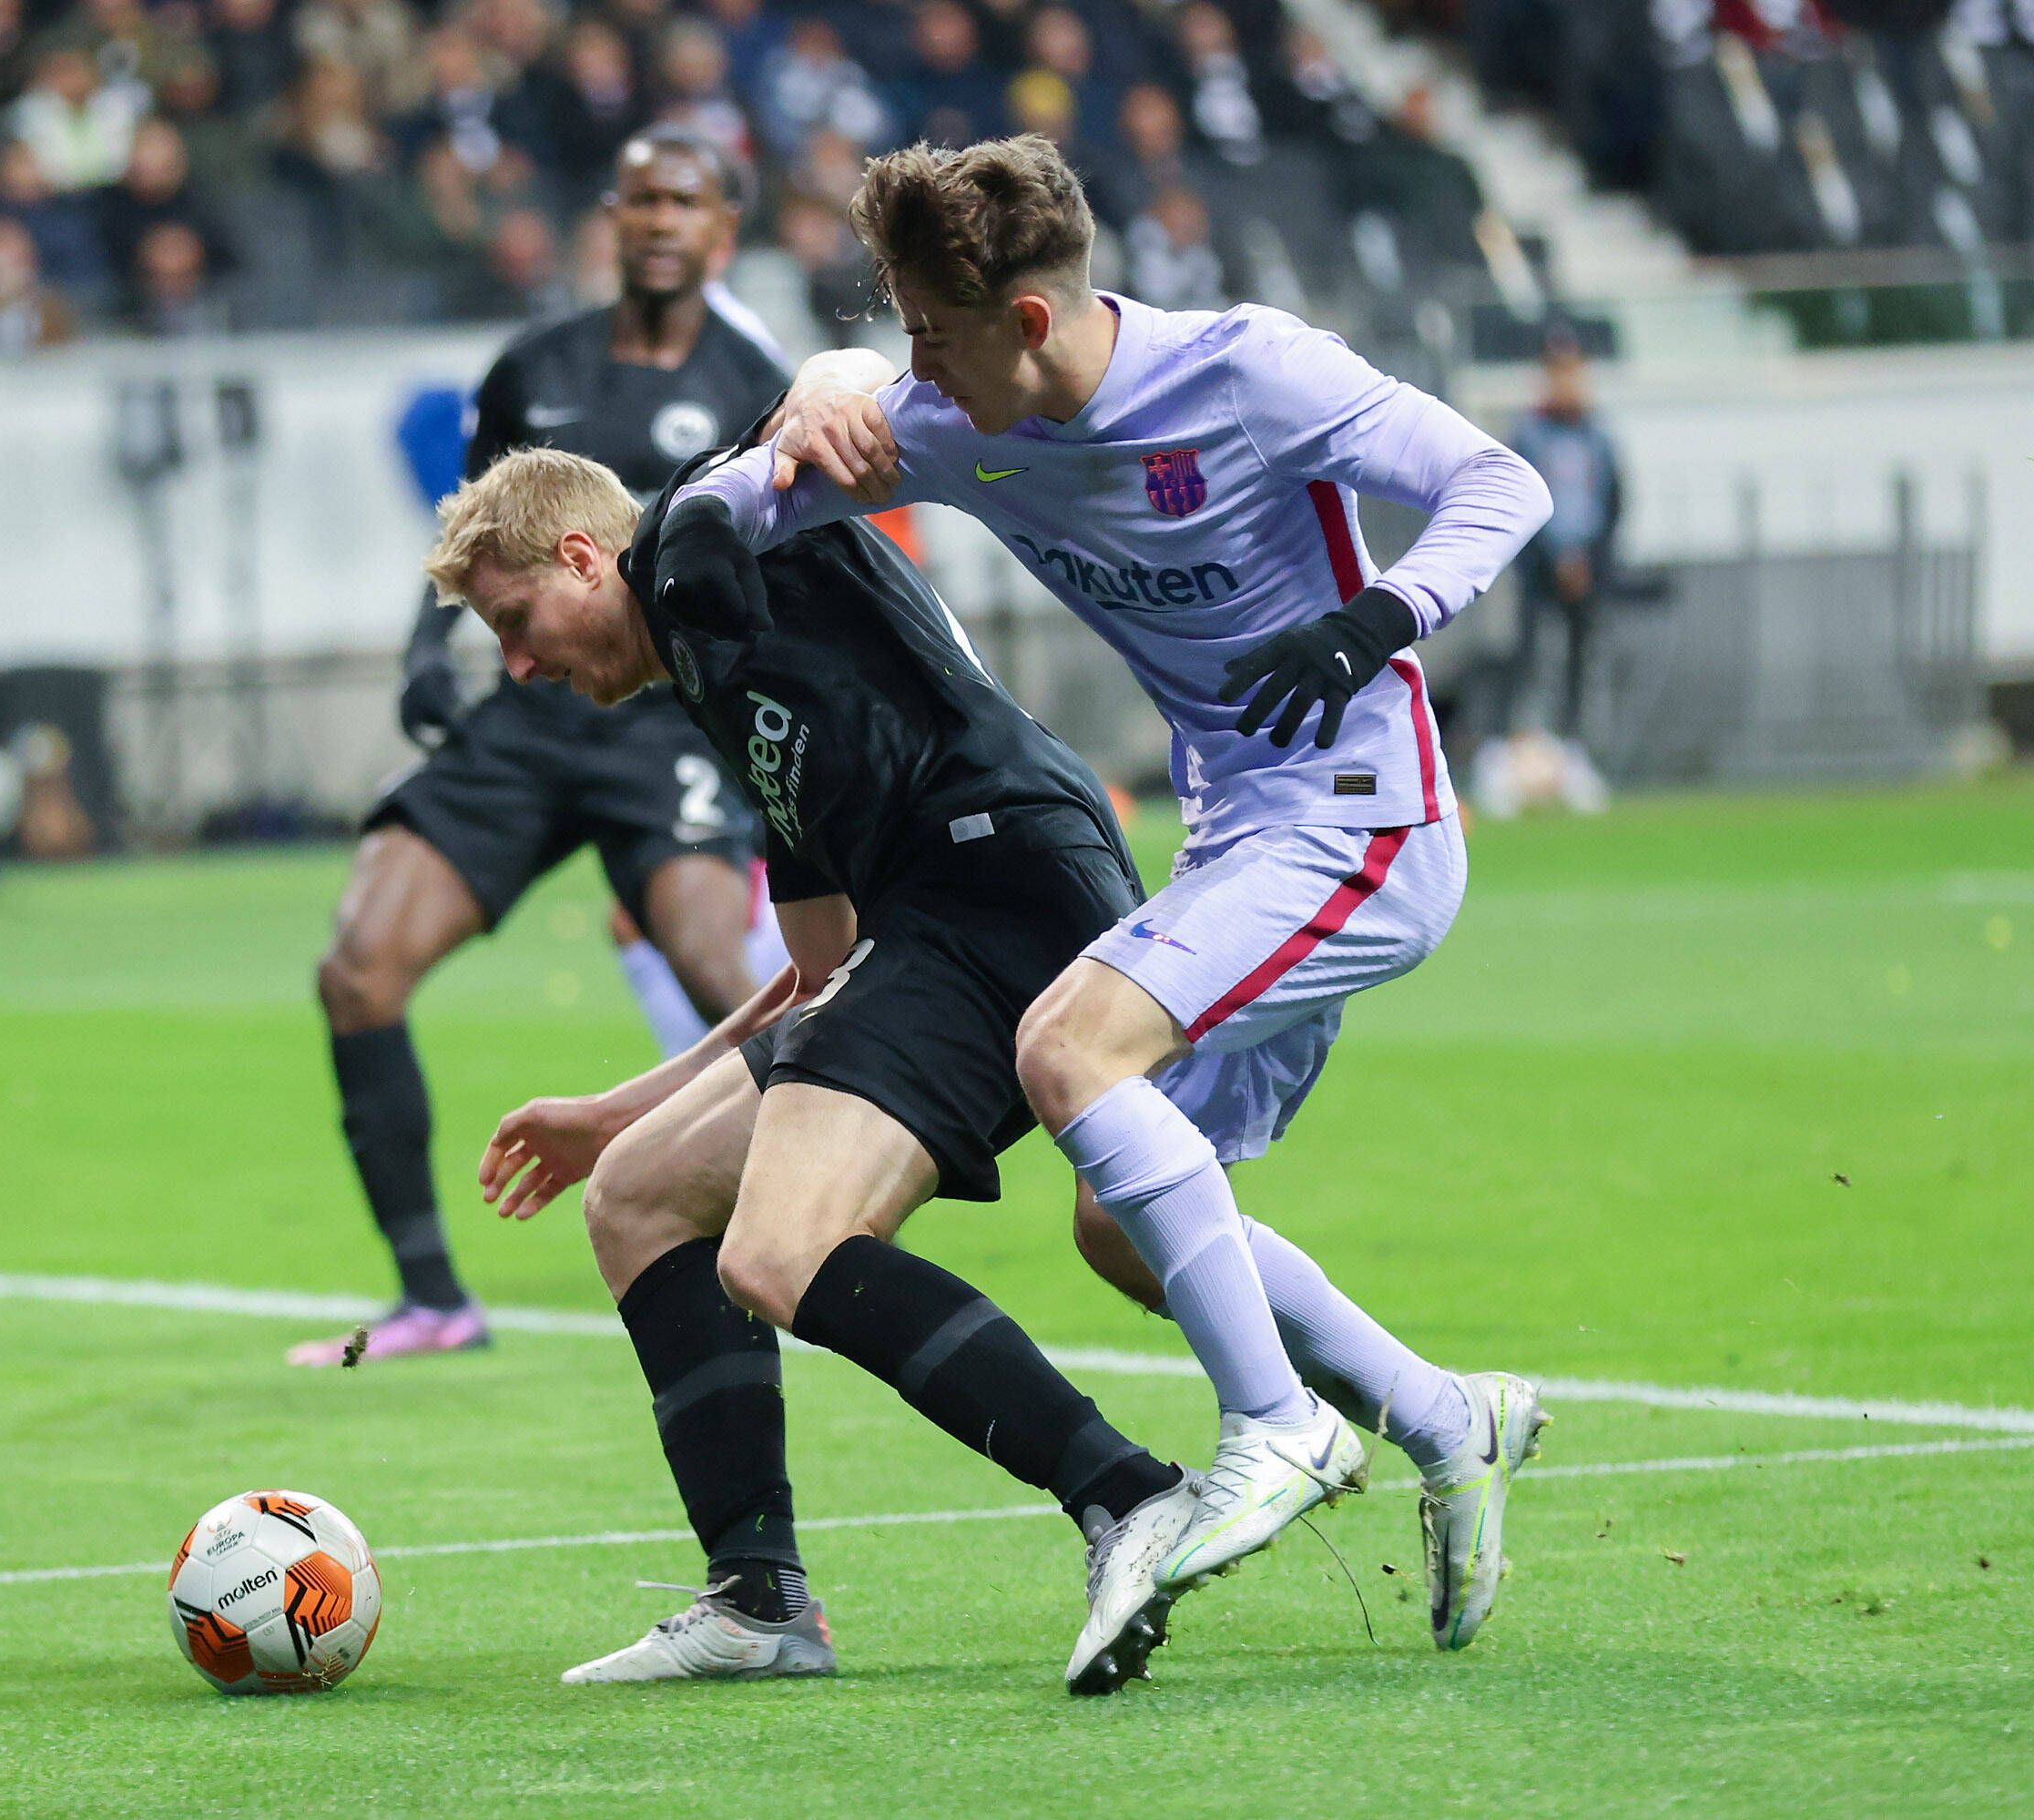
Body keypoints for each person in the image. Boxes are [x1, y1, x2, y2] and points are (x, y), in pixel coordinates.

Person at [684, 134, 1558, 1652]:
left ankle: (1276, 1422)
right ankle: (1441, 1413)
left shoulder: (1248, 372)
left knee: (1064, 1045)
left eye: (928, 333)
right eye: (895, 331)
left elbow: (1499, 480)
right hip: (1242, 834)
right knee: (1117, 1218)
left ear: (1027, 322)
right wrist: (777, 436)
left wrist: (1371, 621)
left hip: (1364, 813)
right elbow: (743, 508)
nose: (914, 367)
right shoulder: (953, 414)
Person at [436, 443, 1201, 1693]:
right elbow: (818, 972)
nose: (520, 665)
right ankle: (758, 1602)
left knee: (780, 1247)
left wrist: (819, 400)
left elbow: (784, 456)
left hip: (1004, 885)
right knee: (636, 1191)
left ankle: (1128, 1491)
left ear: (585, 557)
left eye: (517, 623)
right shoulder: (710, 677)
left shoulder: (695, 546)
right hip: (933, 929)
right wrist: (616, 1110)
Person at [290, 127, 790, 1368]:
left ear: (721, 232)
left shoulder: (756, 377)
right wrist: (426, 642)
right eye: (639, 201)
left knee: (718, 964)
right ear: (609, 222)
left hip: (662, 716)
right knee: (358, 969)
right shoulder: (535, 365)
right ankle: (432, 1298)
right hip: (527, 711)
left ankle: (805, 1227)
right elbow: (472, 526)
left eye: (685, 203)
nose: (660, 221)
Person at [1507, 337, 1623, 741]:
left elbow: (1612, 503)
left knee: (1584, 662)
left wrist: (1588, 559)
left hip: (1588, 569)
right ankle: (1528, 747)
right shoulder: (1528, 434)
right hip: (1540, 570)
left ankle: (1577, 747)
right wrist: (1554, 558)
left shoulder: (1599, 436)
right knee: (1534, 658)